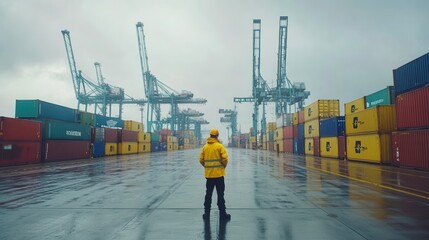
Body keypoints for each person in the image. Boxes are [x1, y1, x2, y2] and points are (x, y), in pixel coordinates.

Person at [199, 128, 231, 221]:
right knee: (220, 195)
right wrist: (222, 167)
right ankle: (223, 214)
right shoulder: (219, 146)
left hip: (209, 176)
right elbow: (225, 159)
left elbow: (201, 160)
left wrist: (207, 166)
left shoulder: (205, 147)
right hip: (219, 175)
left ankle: (206, 214)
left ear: (210, 135)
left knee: (208, 194)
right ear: (217, 135)